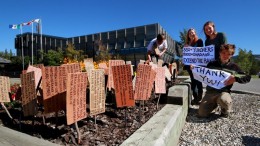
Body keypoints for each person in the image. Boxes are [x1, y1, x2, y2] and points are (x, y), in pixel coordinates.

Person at [198, 44, 251, 118]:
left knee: (225, 101)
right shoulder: (211, 64)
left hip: (223, 92)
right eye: (223, 53)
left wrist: (235, 78)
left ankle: (224, 110)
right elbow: (201, 72)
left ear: (231, 55)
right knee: (202, 114)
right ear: (219, 53)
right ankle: (214, 104)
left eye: (228, 54)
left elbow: (247, 77)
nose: (225, 55)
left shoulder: (234, 67)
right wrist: (193, 68)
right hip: (210, 92)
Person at [183, 28, 204, 105]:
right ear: (188, 35)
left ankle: (200, 96)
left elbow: (200, 52)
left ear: (195, 33)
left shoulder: (199, 41)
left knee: (198, 80)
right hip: (189, 65)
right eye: (190, 33)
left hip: (197, 64)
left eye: (193, 32)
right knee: (193, 81)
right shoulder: (187, 43)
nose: (191, 34)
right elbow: (186, 55)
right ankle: (195, 98)